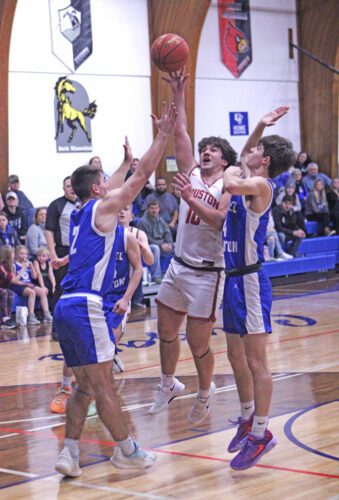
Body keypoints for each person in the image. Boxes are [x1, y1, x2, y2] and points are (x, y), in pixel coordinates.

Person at [53, 102, 176, 477]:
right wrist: (162, 137)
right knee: (104, 385)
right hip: (88, 306)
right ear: (97, 188)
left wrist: (122, 163)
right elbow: (139, 180)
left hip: (65, 307)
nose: (112, 181)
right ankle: (127, 450)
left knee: (84, 387)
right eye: (106, 178)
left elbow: (119, 179)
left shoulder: (78, 213)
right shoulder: (104, 208)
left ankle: (70, 453)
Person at [149, 70, 236, 425]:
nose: (205, 152)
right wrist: (179, 90)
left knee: (197, 342)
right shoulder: (193, 173)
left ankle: (204, 393)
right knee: (166, 332)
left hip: (207, 273)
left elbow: (218, 220)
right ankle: (168, 384)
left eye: (212, 150)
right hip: (179, 266)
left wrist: (188, 198)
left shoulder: (231, 184)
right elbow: (182, 133)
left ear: (225, 160)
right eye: (204, 150)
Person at [221, 107, 296, 470]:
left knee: (256, 361)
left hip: (250, 280)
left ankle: (262, 433)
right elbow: (242, 157)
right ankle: (248, 417)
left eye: (254, 150)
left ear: (264, 160)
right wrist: (259, 126)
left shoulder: (261, 185)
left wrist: (232, 168)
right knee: (236, 355)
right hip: (234, 278)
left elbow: (231, 180)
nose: (244, 153)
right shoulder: (255, 173)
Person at [104, 223, 143, 373]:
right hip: (97, 294)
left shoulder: (128, 236)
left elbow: (141, 267)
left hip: (118, 295)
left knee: (111, 338)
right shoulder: (94, 233)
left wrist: (126, 299)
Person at [14, 245, 53, 324]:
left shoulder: (27, 264)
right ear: (16, 255)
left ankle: (47, 314)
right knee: (32, 292)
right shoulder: (14, 265)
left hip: (29, 284)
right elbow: (14, 280)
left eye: (26, 254)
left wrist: (31, 267)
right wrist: (23, 269)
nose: (24, 256)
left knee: (42, 292)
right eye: (22, 254)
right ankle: (31, 316)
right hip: (19, 285)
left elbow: (34, 277)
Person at [137, 201, 173, 283]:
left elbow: (167, 232)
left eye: (156, 208)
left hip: (161, 243)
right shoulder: (143, 221)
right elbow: (146, 239)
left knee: (176, 246)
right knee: (155, 248)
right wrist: (161, 245)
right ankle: (156, 276)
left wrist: (169, 244)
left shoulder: (160, 219)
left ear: (159, 209)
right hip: (146, 246)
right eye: (152, 208)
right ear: (148, 209)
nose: (154, 210)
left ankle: (175, 276)